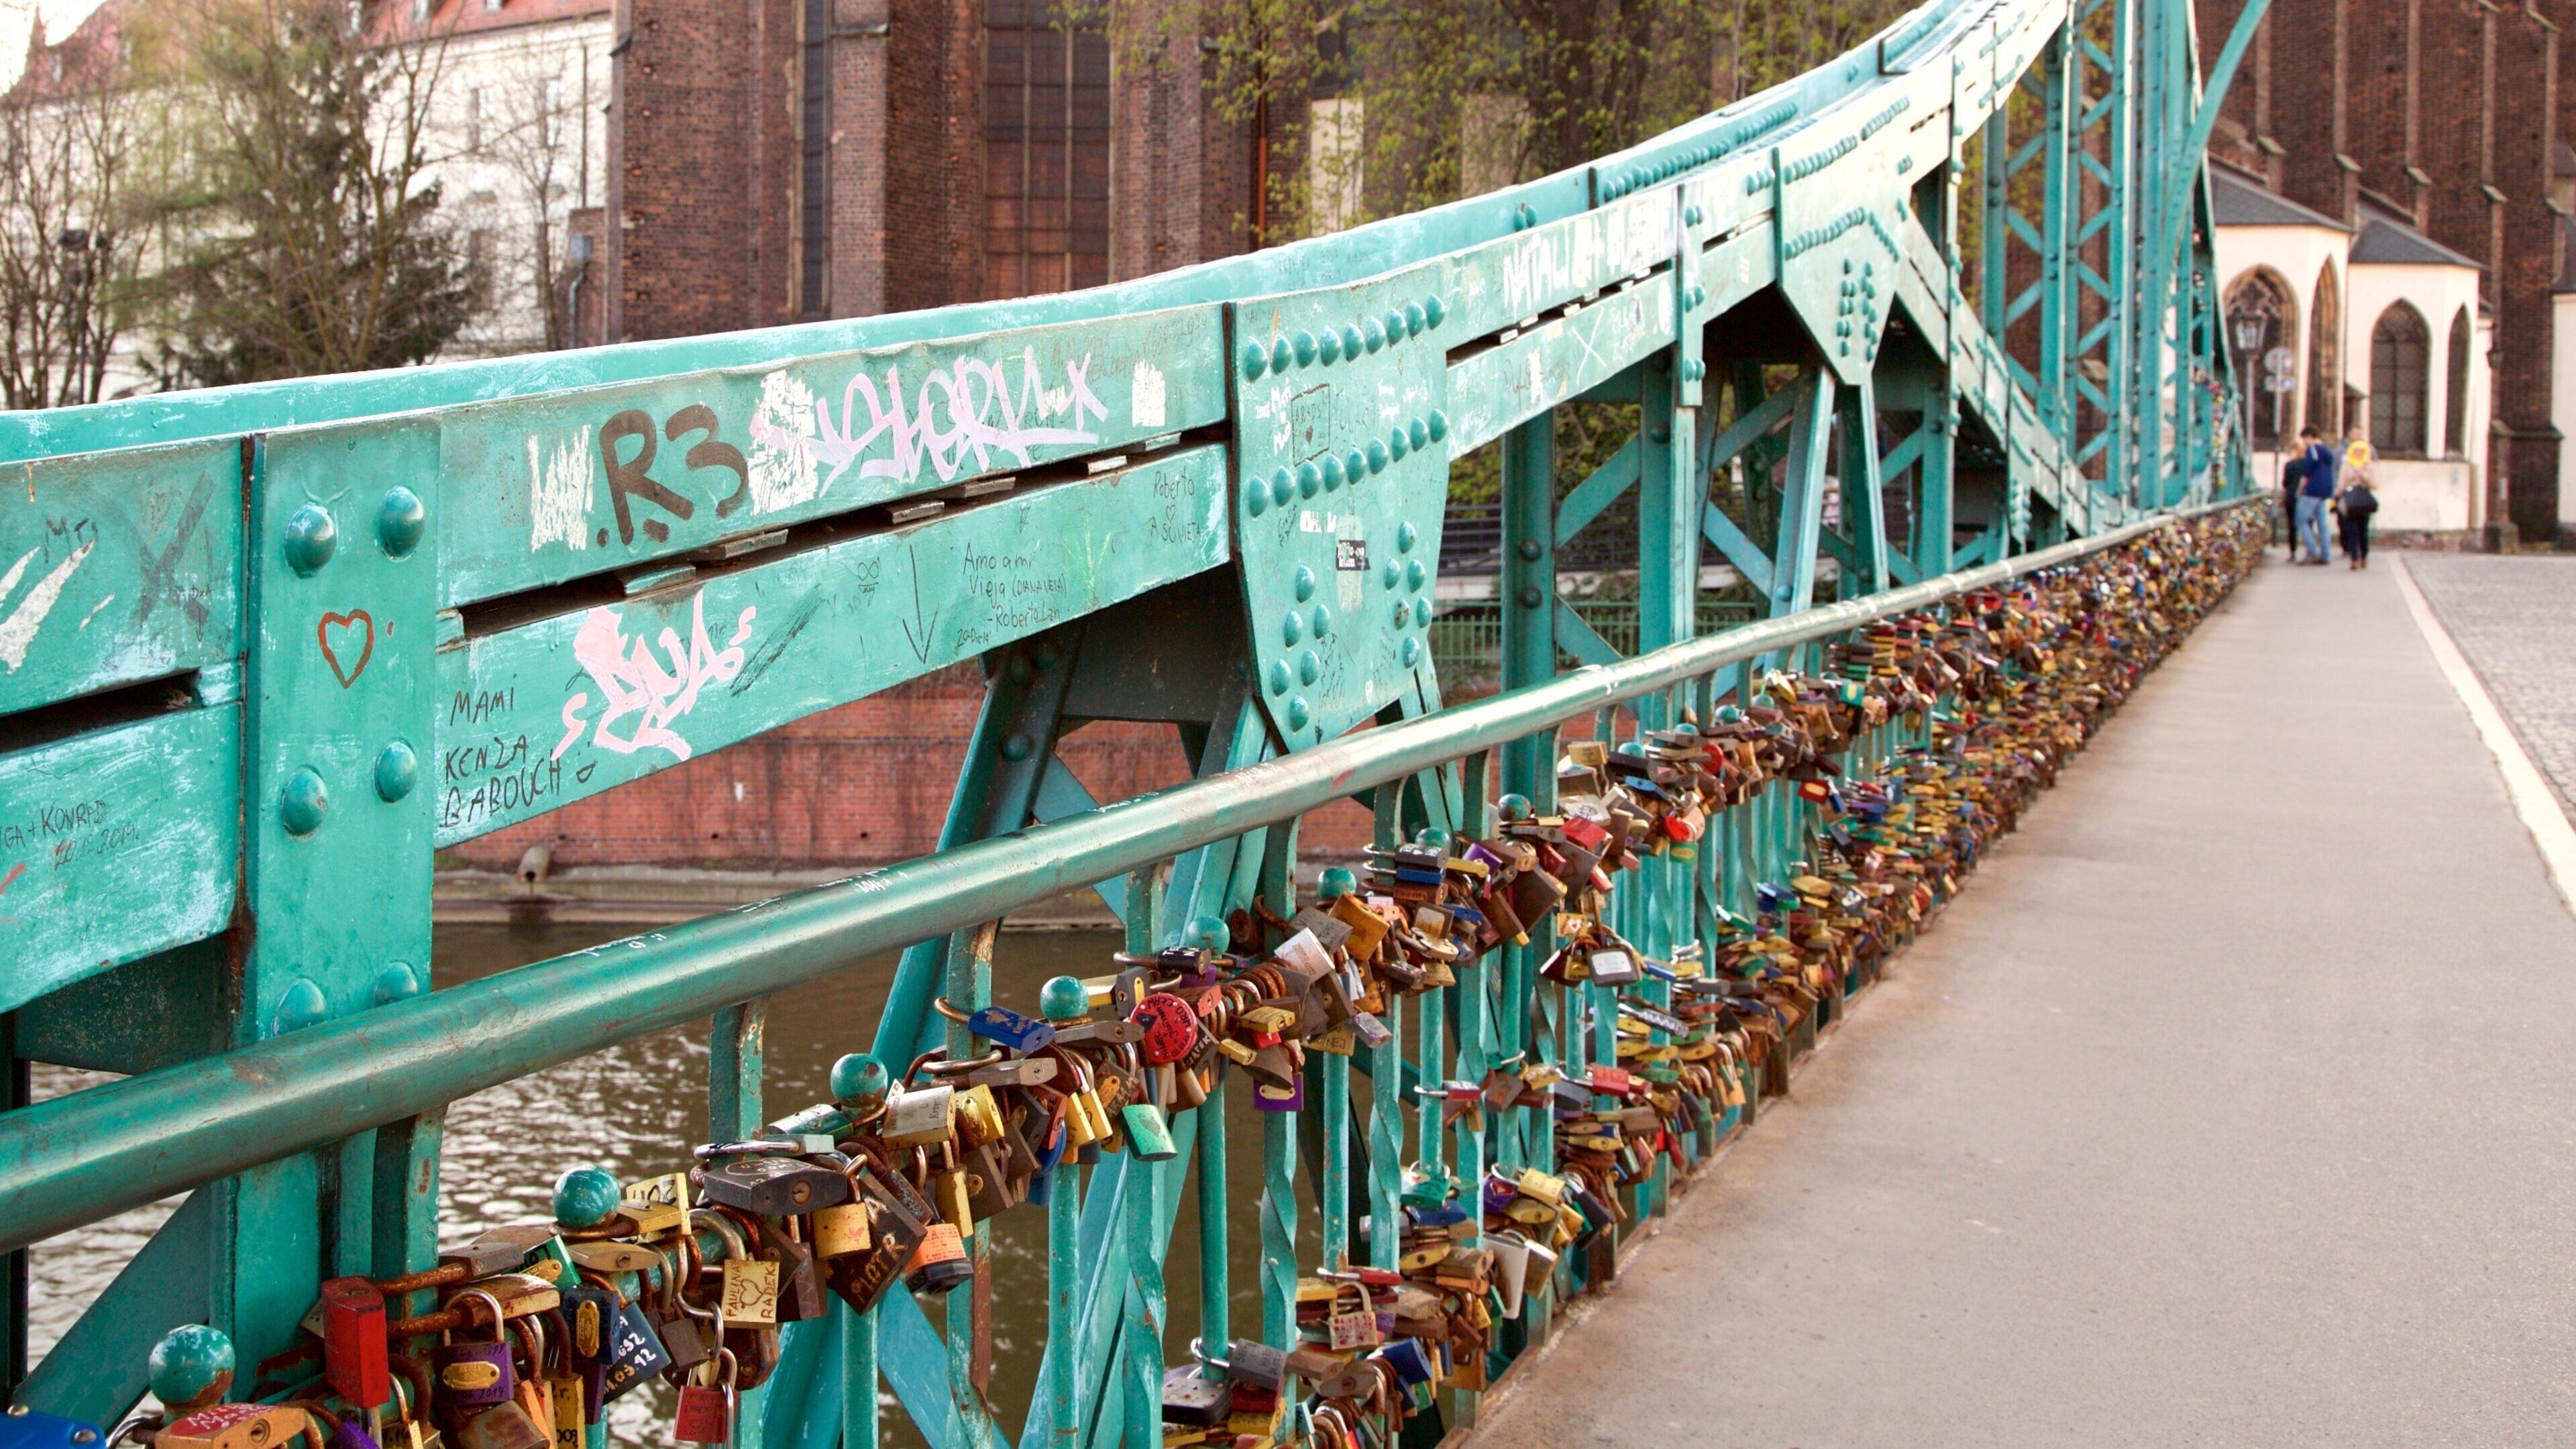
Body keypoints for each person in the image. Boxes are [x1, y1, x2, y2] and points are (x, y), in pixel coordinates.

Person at [2292, 425, 2337, 564]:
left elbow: (2307, 472)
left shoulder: (2313, 449)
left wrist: (2300, 490)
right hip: (2325, 490)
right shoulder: (2327, 451)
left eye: (2305, 439)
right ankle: (2326, 555)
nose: (2304, 443)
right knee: (2322, 524)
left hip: (2312, 489)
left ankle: (2312, 551)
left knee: (2301, 520)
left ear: (2310, 437)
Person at [2337, 470, 2378, 568]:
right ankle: (2354, 559)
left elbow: (2375, 484)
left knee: (2363, 532)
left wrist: (2364, 475)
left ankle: (2364, 557)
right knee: (2352, 531)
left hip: (2364, 502)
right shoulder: (2347, 465)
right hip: (2351, 502)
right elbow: (2341, 484)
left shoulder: (2368, 465)